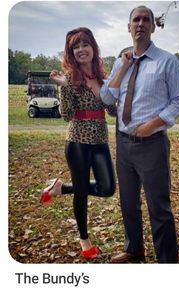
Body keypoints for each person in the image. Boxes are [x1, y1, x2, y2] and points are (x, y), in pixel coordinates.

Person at [100, 5, 179, 263]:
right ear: (128, 27)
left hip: (152, 145)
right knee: (128, 202)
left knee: (159, 208)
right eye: (135, 20)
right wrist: (122, 69)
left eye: (145, 19)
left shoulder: (167, 61)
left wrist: (153, 124)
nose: (140, 23)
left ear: (153, 26)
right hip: (124, 143)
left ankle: (167, 262)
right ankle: (134, 248)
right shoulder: (121, 61)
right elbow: (107, 97)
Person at [40, 27, 116, 260]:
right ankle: (84, 240)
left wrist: (104, 89)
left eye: (85, 45)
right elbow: (66, 114)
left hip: (100, 140)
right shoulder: (69, 77)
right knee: (81, 193)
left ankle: (61, 188)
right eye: (76, 47)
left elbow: (112, 110)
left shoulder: (105, 77)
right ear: (71, 53)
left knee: (107, 188)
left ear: (93, 47)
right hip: (77, 141)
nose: (81, 50)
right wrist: (64, 87)